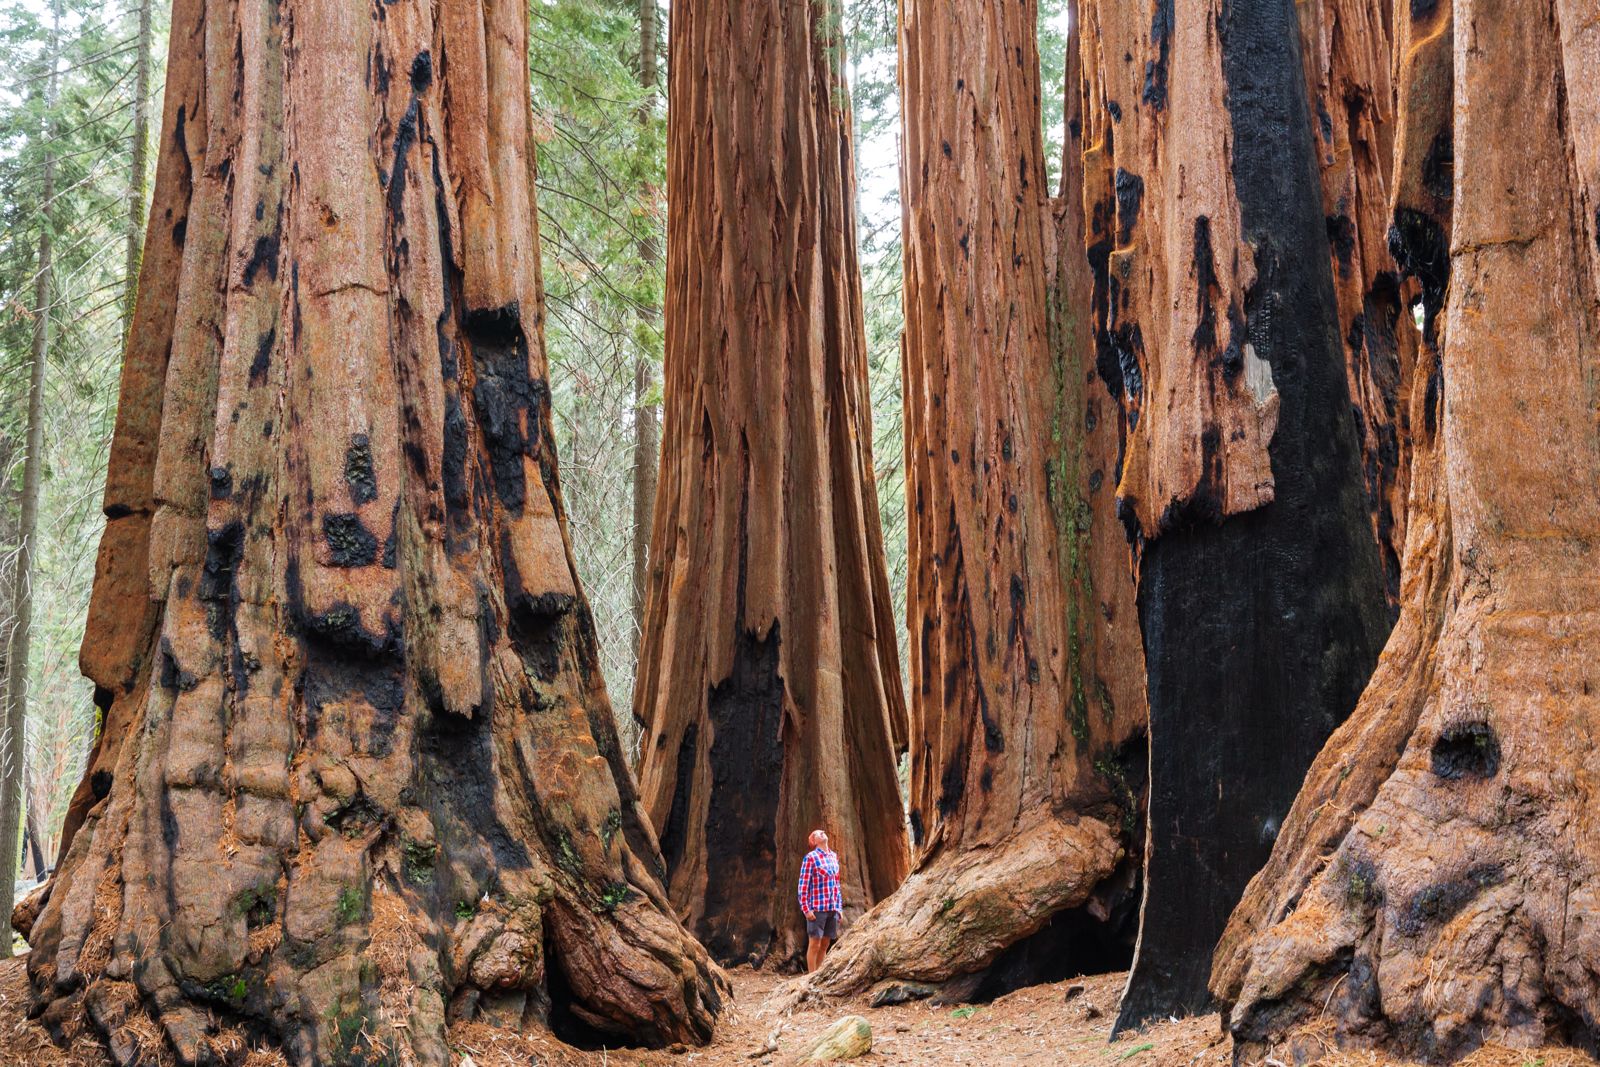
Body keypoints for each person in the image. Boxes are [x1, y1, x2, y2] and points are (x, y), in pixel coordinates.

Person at [797, 828, 843, 972]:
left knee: (825, 944)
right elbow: (802, 885)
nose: (822, 832)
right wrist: (806, 909)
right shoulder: (810, 858)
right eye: (817, 833)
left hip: (832, 908)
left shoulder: (833, 857)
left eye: (822, 831)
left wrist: (839, 908)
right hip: (817, 909)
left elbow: (837, 885)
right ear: (813, 841)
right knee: (814, 944)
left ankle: (818, 976)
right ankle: (810, 978)